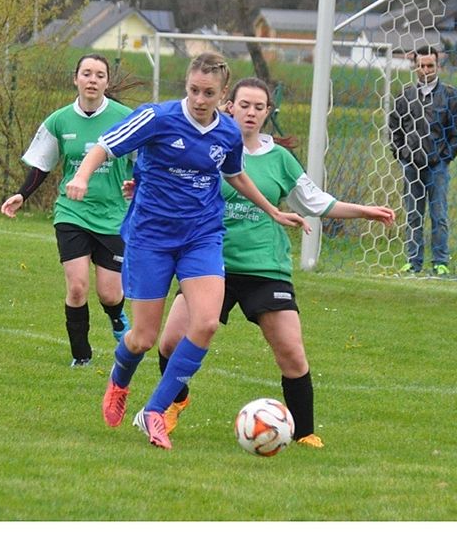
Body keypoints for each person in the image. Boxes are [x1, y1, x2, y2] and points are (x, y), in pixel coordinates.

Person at [65, 52, 309, 450]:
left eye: (208, 93)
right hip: (151, 237)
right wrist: (81, 175)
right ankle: (119, 380)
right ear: (186, 86)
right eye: (194, 90)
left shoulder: (228, 133)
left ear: (222, 94)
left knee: (207, 323)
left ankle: (155, 411)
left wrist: (273, 211)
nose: (199, 99)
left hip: (202, 236)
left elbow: (235, 175)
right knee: (142, 338)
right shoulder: (158, 118)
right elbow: (103, 148)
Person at [153, 77, 395, 448]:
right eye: (244, 105)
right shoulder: (208, 147)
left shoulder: (279, 159)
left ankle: (304, 432)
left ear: (268, 113)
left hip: (265, 268)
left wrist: (363, 211)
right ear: (228, 105)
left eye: (259, 107)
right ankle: (174, 402)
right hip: (208, 263)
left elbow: (315, 202)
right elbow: (175, 185)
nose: (251, 113)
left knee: (292, 353)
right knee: (169, 343)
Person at [0, 54, 133, 367]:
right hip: (71, 213)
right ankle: (81, 356)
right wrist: (22, 194)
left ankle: (117, 319)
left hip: (115, 216)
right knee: (76, 287)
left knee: (110, 294)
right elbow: (41, 164)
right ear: (76, 79)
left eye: (99, 75)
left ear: (107, 82)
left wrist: (137, 184)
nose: (92, 80)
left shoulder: (126, 118)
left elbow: (147, 162)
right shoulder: (59, 120)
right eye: (86, 73)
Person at [388, 45, 457, 276]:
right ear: (415, 67)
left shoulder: (451, 96)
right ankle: (413, 262)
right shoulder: (405, 95)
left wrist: (444, 157)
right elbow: (394, 128)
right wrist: (402, 154)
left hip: (437, 167)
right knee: (413, 215)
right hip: (411, 165)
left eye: (430, 65)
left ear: (438, 66)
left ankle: (440, 262)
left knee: (438, 215)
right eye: (421, 66)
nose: (426, 70)